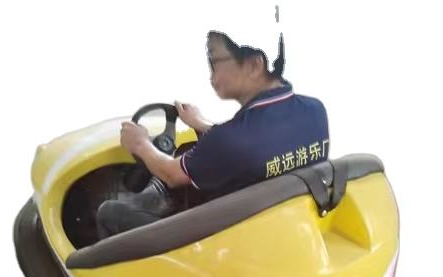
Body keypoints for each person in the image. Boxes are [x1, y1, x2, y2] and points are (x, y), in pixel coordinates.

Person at [96, 30, 329, 239]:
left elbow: (171, 174)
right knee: (189, 157)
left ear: (254, 65)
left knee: (109, 212)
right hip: (282, 226)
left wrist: (140, 143)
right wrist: (200, 124)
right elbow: (256, 144)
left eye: (214, 60)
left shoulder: (228, 140)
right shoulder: (315, 111)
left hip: (224, 242)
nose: (211, 74)